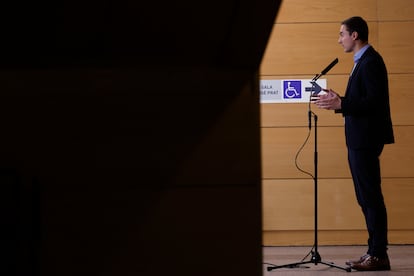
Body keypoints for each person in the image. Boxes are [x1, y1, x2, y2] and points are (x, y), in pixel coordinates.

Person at [314, 16, 394, 271]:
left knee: (371, 197)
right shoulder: (362, 62)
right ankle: (373, 250)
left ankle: (379, 255)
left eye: (341, 34)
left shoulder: (370, 62)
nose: (339, 40)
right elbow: (363, 100)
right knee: (364, 197)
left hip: (366, 139)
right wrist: (340, 101)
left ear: (355, 35)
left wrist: (342, 104)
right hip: (359, 139)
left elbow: (375, 103)